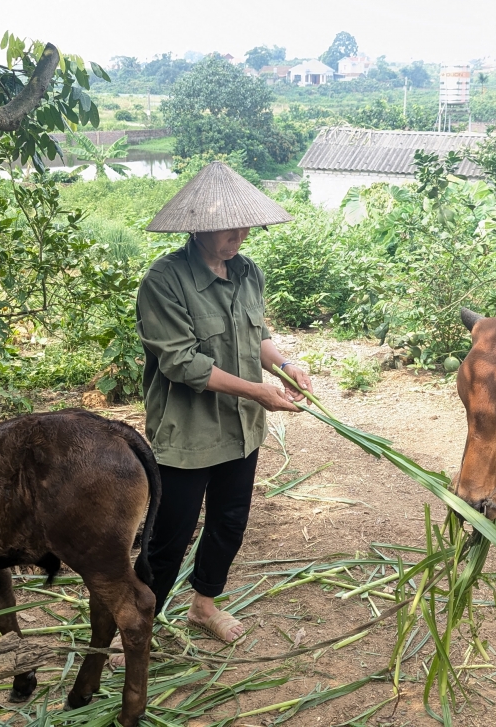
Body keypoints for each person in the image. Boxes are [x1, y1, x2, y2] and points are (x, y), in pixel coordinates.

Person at [133, 161, 312, 644]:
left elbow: (257, 336)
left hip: (242, 429)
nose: (241, 234)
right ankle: (138, 624)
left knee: (229, 523)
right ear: (196, 226)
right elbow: (181, 363)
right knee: (170, 537)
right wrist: (258, 391)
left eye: (245, 223)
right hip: (188, 436)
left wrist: (284, 366)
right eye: (228, 227)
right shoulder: (164, 281)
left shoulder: (246, 271)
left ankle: (203, 606)